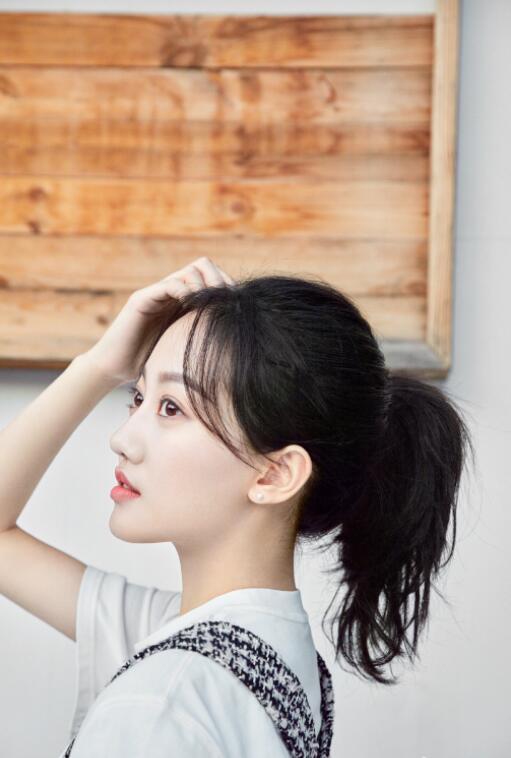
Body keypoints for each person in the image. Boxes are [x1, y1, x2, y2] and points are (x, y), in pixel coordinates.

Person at [0, 257, 474, 756]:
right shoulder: (259, 651)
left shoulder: (163, 704)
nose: (122, 439)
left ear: (275, 474)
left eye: (171, 407)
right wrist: (99, 365)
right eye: (136, 398)